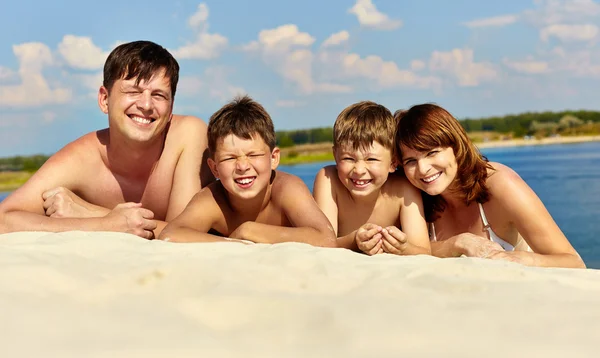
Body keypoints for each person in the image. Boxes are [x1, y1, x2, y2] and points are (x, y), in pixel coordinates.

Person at [0, 40, 213, 239]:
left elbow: (181, 235)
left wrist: (88, 212)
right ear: (104, 99)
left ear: (172, 106)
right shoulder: (83, 158)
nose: (146, 105)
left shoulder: (188, 135)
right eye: (133, 91)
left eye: (159, 95)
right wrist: (102, 224)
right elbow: (4, 218)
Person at [395, 103, 585, 268]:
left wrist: (519, 259)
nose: (423, 169)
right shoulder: (413, 194)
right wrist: (456, 243)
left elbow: (574, 262)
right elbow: (411, 250)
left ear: (456, 147)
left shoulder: (501, 185)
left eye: (432, 153)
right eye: (411, 161)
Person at [158, 95, 337, 247]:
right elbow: (171, 234)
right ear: (214, 168)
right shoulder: (213, 200)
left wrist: (249, 230)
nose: (243, 166)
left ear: (274, 158)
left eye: (253, 155)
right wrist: (237, 244)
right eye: (229, 158)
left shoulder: (287, 189)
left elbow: (326, 239)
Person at [312, 101, 430, 255]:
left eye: (371, 159)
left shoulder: (403, 189)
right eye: (348, 159)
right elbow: (321, 244)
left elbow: (425, 251)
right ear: (335, 156)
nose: (359, 170)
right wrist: (353, 241)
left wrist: (404, 248)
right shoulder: (328, 180)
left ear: (393, 162)